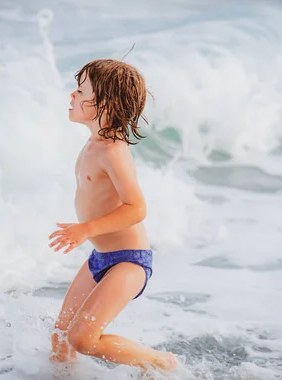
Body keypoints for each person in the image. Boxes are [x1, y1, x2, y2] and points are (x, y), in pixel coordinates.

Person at [48, 59, 177, 372]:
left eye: (80, 91)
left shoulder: (112, 151)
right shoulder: (94, 143)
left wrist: (85, 228)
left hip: (128, 261)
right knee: (60, 339)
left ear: (105, 103)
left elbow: (137, 208)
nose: (72, 96)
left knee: (82, 339)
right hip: (100, 257)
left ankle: (159, 361)